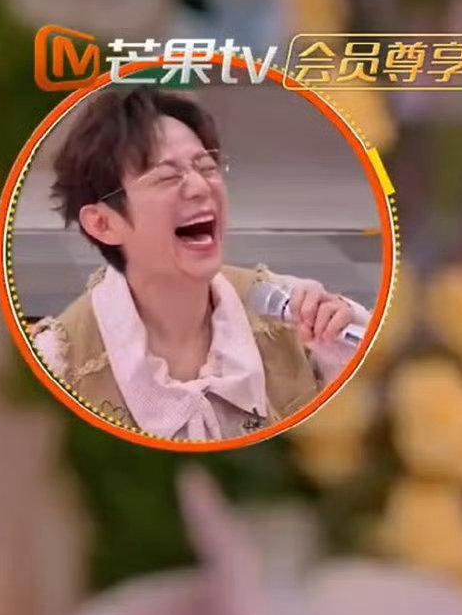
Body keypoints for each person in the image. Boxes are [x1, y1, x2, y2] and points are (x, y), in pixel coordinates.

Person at [27, 87, 369, 441]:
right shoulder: (59, 366)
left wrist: (337, 349)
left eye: (206, 167)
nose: (200, 187)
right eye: (166, 176)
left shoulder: (293, 312)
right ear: (103, 223)